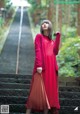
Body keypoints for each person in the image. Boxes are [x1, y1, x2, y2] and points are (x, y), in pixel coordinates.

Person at [26, 20, 61, 114]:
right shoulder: (39, 37)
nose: (44, 24)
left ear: (50, 26)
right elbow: (38, 51)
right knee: (36, 90)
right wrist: (39, 65)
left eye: (46, 23)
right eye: (42, 23)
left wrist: (58, 37)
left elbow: (56, 52)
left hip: (51, 69)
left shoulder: (52, 41)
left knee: (48, 92)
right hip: (42, 67)